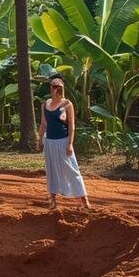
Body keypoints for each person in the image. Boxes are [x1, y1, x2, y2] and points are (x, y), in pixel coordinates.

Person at [39, 75, 91, 210]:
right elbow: (43, 124)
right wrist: (39, 140)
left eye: (59, 87)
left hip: (63, 141)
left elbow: (72, 125)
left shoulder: (67, 104)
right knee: (51, 171)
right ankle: (53, 200)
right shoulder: (45, 104)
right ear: (51, 88)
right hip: (49, 141)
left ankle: (84, 200)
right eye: (54, 86)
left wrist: (69, 143)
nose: (57, 89)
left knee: (72, 169)